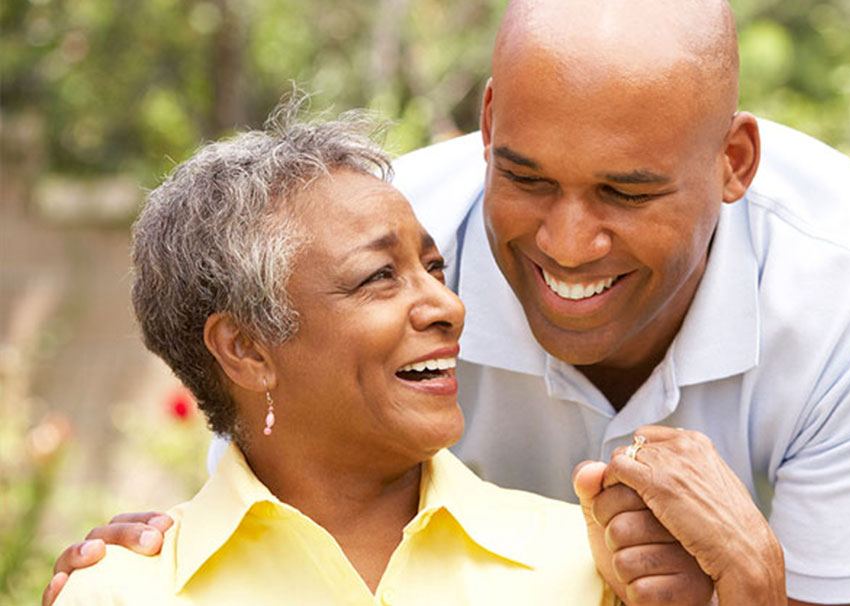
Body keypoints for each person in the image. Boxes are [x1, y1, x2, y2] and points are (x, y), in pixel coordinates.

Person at [46, 1, 850, 605]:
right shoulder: (384, 225)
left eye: (626, 194)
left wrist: (751, 584)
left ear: (734, 165)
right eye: (524, 177)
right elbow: (272, 459)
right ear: (485, 124)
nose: (565, 241)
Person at [50, 102, 614, 605]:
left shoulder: (588, 569)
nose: (448, 306)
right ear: (245, 348)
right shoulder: (121, 592)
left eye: (434, 267)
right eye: (379, 277)